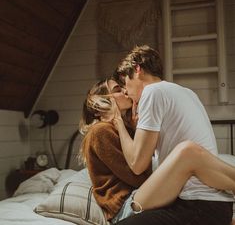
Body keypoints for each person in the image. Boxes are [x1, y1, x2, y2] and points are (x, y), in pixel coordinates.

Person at [79, 78, 235, 224]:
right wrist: (119, 122)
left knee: (189, 154)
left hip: (142, 196)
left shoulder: (122, 130)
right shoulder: (100, 132)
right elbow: (138, 175)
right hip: (127, 205)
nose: (125, 91)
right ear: (102, 101)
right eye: (118, 89)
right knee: (187, 152)